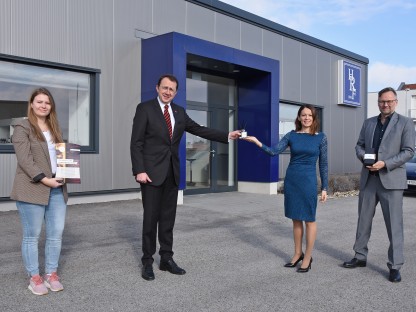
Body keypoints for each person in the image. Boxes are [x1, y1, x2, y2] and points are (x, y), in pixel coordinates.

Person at [130, 74, 241, 281]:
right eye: (164, 88)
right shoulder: (144, 109)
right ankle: (147, 261)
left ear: (176, 92)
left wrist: (227, 135)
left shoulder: (179, 112)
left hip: (172, 173)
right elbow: (136, 142)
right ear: (157, 88)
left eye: (171, 89)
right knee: (150, 219)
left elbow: (199, 129)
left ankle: (166, 259)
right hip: (151, 174)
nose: (167, 92)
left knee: (168, 219)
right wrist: (139, 170)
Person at [243, 104, 328, 273]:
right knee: (296, 219)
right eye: (303, 115)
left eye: (309, 115)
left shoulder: (321, 137)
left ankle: (308, 256)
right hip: (293, 181)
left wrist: (325, 187)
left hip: (309, 182)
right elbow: (274, 151)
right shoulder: (291, 135)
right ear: (298, 118)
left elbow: (324, 164)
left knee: (309, 219)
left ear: (314, 118)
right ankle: (298, 253)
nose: (306, 118)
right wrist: (257, 142)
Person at [343, 87, 415, 283]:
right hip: (369, 179)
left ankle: (395, 265)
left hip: (391, 180)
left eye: (390, 101)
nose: (386, 104)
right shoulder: (369, 123)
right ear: (378, 102)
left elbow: (409, 151)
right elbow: (359, 145)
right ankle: (359, 256)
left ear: (396, 102)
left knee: (394, 225)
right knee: (363, 221)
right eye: (383, 101)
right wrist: (363, 158)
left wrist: (386, 164)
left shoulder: (406, 123)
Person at [10, 88, 68, 295]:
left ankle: (51, 273)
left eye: (48, 102)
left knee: (55, 234)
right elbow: (25, 159)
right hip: (32, 187)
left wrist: (67, 169)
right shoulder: (22, 126)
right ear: (32, 104)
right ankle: (34, 277)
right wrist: (45, 179)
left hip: (57, 188)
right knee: (32, 235)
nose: (44, 105)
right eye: (40, 102)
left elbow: (61, 155)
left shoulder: (54, 128)